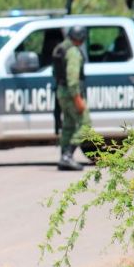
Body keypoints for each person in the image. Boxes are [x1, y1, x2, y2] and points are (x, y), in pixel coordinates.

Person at [51, 26, 90, 171]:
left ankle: (63, 157)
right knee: (85, 124)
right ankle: (68, 155)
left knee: (68, 125)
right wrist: (77, 98)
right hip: (71, 93)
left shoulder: (60, 49)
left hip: (61, 92)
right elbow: (73, 78)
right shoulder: (73, 52)